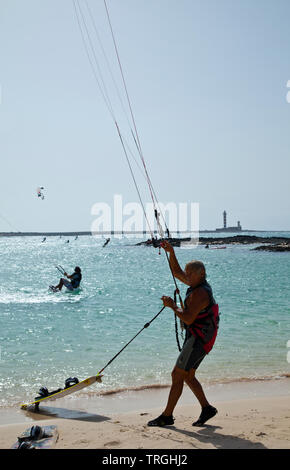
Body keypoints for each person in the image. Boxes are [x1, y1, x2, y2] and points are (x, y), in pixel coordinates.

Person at [147, 240, 219, 428]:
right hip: (201, 337)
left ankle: (167, 416)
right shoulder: (196, 284)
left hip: (198, 339)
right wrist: (171, 252)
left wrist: (172, 306)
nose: (186, 276)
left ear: (201, 274)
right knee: (188, 376)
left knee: (177, 374)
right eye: (187, 273)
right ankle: (207, 408)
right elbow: (177, 272)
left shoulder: (200, 293)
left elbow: (187, 318)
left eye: (190, 274)